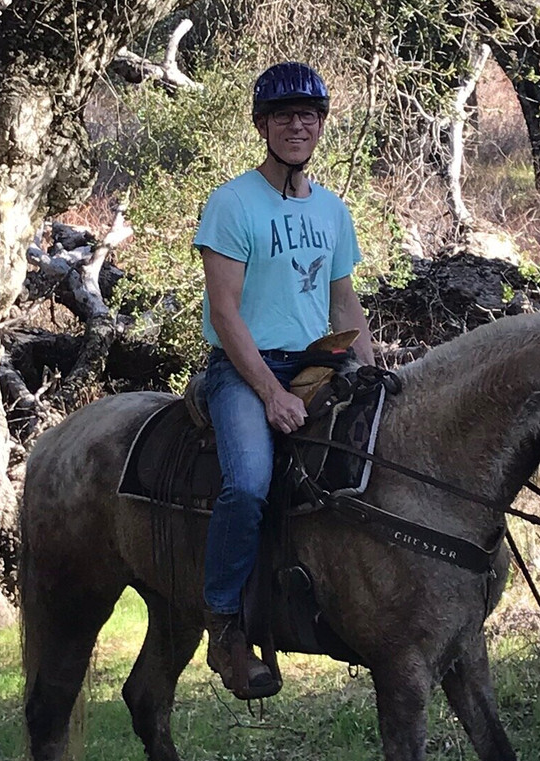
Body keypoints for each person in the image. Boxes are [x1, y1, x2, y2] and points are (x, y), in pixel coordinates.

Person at [193, 62, 374, 699]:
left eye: (308, 116)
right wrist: (269, 393)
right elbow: (225, 312)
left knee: (372, 462)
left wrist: (374, 374)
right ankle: (224, 627)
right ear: (263, 125)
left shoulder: (331, 209)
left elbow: (344, 305)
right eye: (284, 116)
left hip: (318, 363)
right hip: (244, 370)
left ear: (321, 125)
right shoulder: (233, 202)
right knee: (246, 484)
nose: (297, 126)